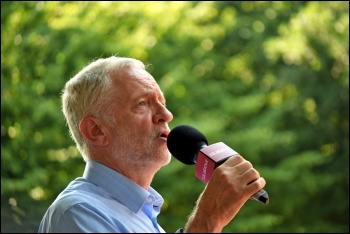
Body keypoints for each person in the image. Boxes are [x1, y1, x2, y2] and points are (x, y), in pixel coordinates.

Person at [38, 55, 266, 233]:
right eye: (142, 104)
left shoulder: (143, 216)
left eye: (162, 102)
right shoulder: (77, 212)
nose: (166, 115)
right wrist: (207, 220)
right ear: (96, 131)